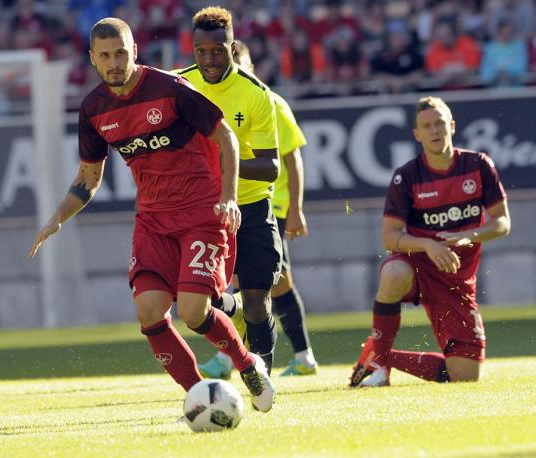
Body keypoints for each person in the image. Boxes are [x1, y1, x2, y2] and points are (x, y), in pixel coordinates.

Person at [29, 17, 275, 412]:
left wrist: (229, 198)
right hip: (153, 221)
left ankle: (248, 365)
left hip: (201, 212)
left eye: (121, 53)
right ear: (93, 59)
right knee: (148, 311)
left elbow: (226, 137)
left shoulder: (172, 89)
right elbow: (88, 178)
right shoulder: (93, 109)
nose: (114, 62)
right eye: (105, 55)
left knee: (193, 312)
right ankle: (201, 398)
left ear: (135, 52)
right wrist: (58, 216)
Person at [350, 96, 511, 387]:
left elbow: (502, 222)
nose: (435, 130)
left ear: (452, 126)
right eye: (427, 126)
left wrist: (469, 235)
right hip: (418, 267)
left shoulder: (478, 165)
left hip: (456, 279)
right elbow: (390, 237)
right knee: (393, 273)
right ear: (417, 134)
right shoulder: (406, 177)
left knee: (465, 377)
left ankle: (378, 356)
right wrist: (428, 245)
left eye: (439, 123)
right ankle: (381, 370)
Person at [199, 39, 318, 378]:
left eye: (239, 60)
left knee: (272, 283)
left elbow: (292, 158)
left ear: (250, 66)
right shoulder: (210, 97)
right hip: (234, 202)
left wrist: (295, 209)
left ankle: (297, 355)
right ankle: (275, 356)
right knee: (241, 284)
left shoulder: (270, 102)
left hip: (270, 204)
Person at [176, 6, 283, 374]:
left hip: (250, 208)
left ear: (232, 47)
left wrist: (221, 164)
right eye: (201, 50)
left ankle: (263, 376)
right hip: (200, 209)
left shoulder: (256, 94)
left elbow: (271, 167)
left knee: (257, 302)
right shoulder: (179, 85)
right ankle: (231, 313)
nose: (209, 58)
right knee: (200, 300)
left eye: (218, 50)